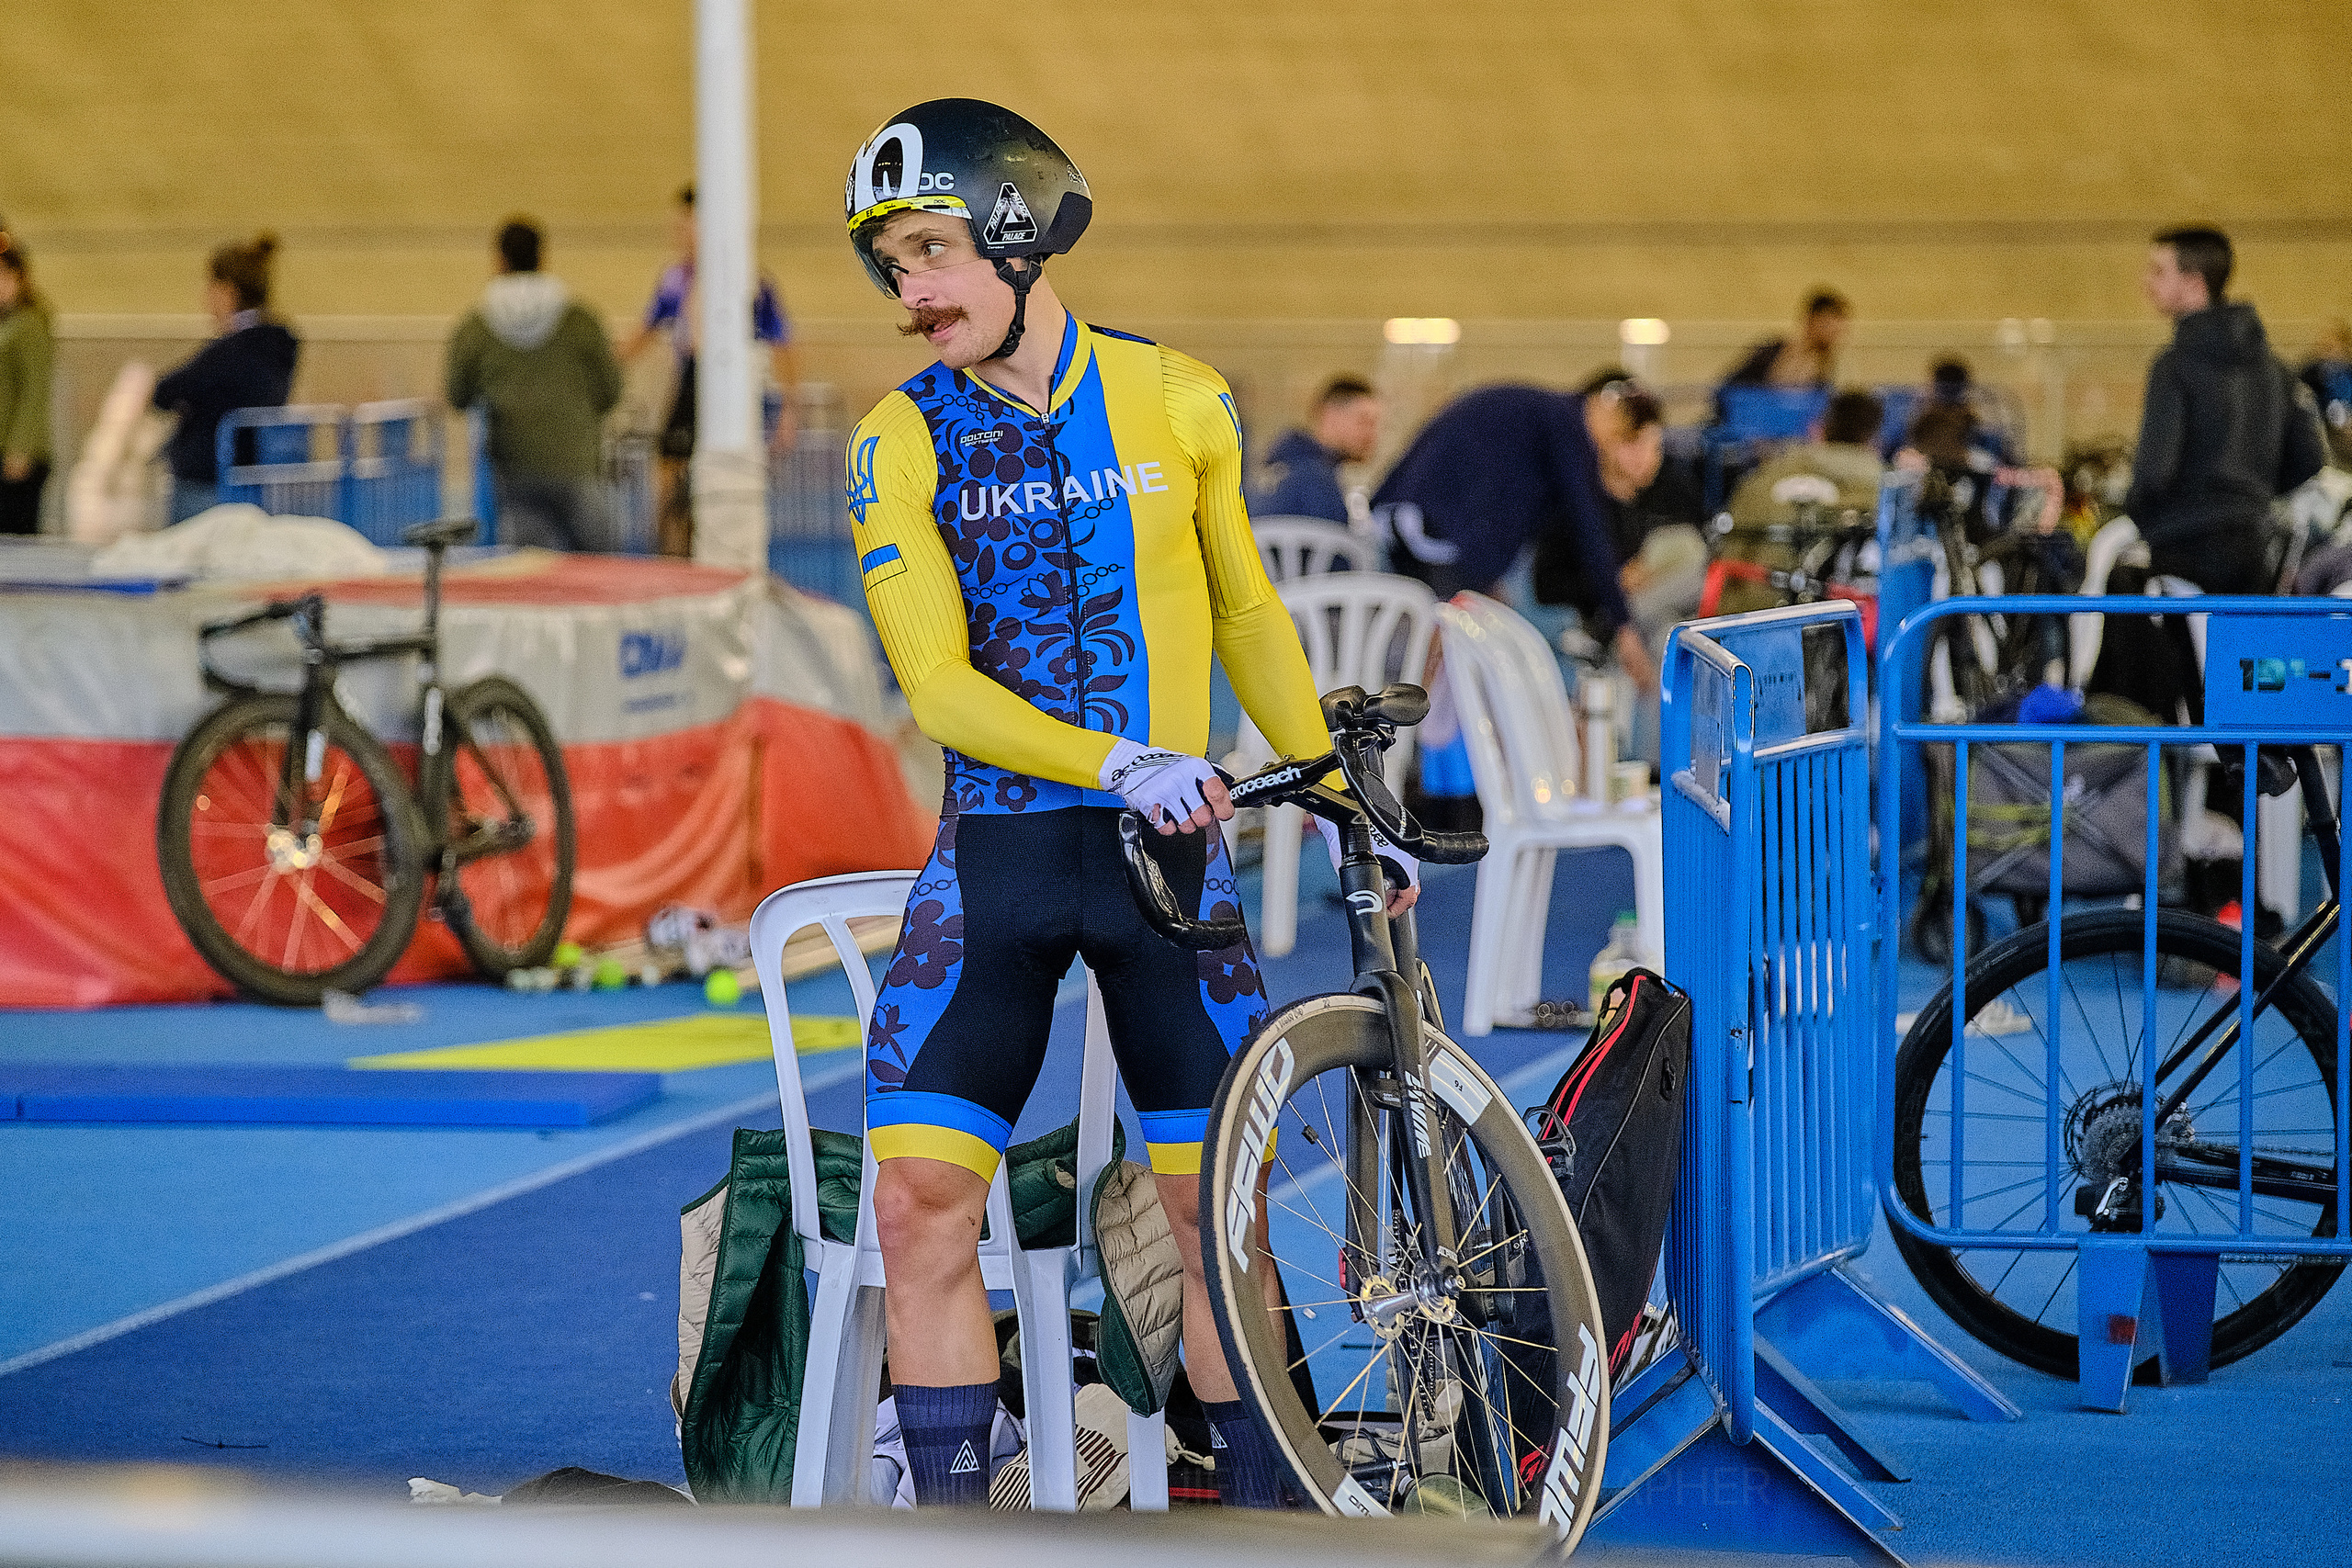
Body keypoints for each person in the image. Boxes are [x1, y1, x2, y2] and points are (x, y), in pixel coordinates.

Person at [839, 98, 1415, 1511]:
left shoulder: (1181, 397)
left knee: (1209, 1218)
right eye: (889, 265)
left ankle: (1279, 1521)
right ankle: (958, 1528)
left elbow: (1246, 612)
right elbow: (936, 688)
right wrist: (1117, 763)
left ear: (1018, 231)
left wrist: (1350, 804)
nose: (909, 291)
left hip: (1175, 876)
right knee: (918, 1204)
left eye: (929, 251)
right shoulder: (892, 442)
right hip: (1001, 858)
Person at [1374, 379, 1665, 693]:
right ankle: (1411, 728)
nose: (1608, 449)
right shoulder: (1564, 422)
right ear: (1610, 413)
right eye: (1622, 437)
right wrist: (1624, 626)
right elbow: (1588, 524)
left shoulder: (1538, 418)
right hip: (1427, 525)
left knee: (1451, 641)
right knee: (1443, 644)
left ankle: (1415, 725)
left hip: (1415, 516)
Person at [2126, 225, 2325, 597]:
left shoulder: (2174, 366)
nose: (2146, 282)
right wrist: (2252, 496)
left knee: (2109, 572)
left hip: (2180, 547)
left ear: (2194, 281)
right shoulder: (2276, 368)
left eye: (2158, 271)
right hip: (2255, 545)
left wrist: (2143, 513)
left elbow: (2154, 472)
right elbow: (2309, 457)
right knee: (2238, 653)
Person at [619, 183, 801, 557]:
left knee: (716, 480)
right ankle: (672, 557)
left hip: (729, 383)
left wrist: (788, 409)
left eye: (686, 226)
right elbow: (643, 334)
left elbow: (783, 345)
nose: (679, 235)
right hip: (690, 381)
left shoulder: (749, 281)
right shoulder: (675, 279)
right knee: (668, 475)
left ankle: (711, 556)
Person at [446, 217, 625, 553]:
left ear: (499, 260)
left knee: (533, 578)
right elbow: (611, 390)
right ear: (543, 258)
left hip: (515, 470)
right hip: (579, 463)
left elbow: (458, 394)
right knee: (598, 572)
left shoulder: (477, 325)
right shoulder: (581, 320)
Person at [153, 233, 298, 524]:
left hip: (206, 483)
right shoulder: (279, 343)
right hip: (252, 481)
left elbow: (165, 392)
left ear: (226, 292)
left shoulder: (233, 350)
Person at [1250, 373, 1377, 524]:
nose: (1371, 434)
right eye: (1364, 421)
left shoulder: (1282, 465)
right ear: (1330, 415)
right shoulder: (1315, 479)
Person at [0, 239, 54, 535]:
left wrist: (21, 448)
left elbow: (35, 391)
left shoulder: (29, 324)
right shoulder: (7, 323)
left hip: (17, 454)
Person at [1721, 288, 1851, 396]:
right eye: (1828, 325)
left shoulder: (1823, 366)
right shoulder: (1771, 352)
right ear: (1811, 320)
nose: (1836, 335)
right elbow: (1728, 388)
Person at [2297, 318, 2352, 462]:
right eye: (2325, 344)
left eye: (2333, 345)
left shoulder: (2347, 372)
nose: (2327, 348)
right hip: (2327, 427)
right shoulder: (2312, 373)